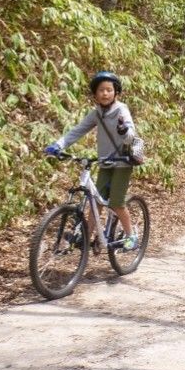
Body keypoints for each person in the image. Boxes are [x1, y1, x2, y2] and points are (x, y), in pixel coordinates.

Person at [44, 71, 141, 251]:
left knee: (116, 203)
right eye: (101, 90)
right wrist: (58, 145)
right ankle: (86, 237)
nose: (105, 93)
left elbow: (130, 134)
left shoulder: (121, 109)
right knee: (96, 201)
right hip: (105, 162)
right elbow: (77, 130)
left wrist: (124, 130)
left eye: (109, 90)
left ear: (116, 92)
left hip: (122, 162)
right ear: (95, 95)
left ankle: (131, 236)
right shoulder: (96, 113)